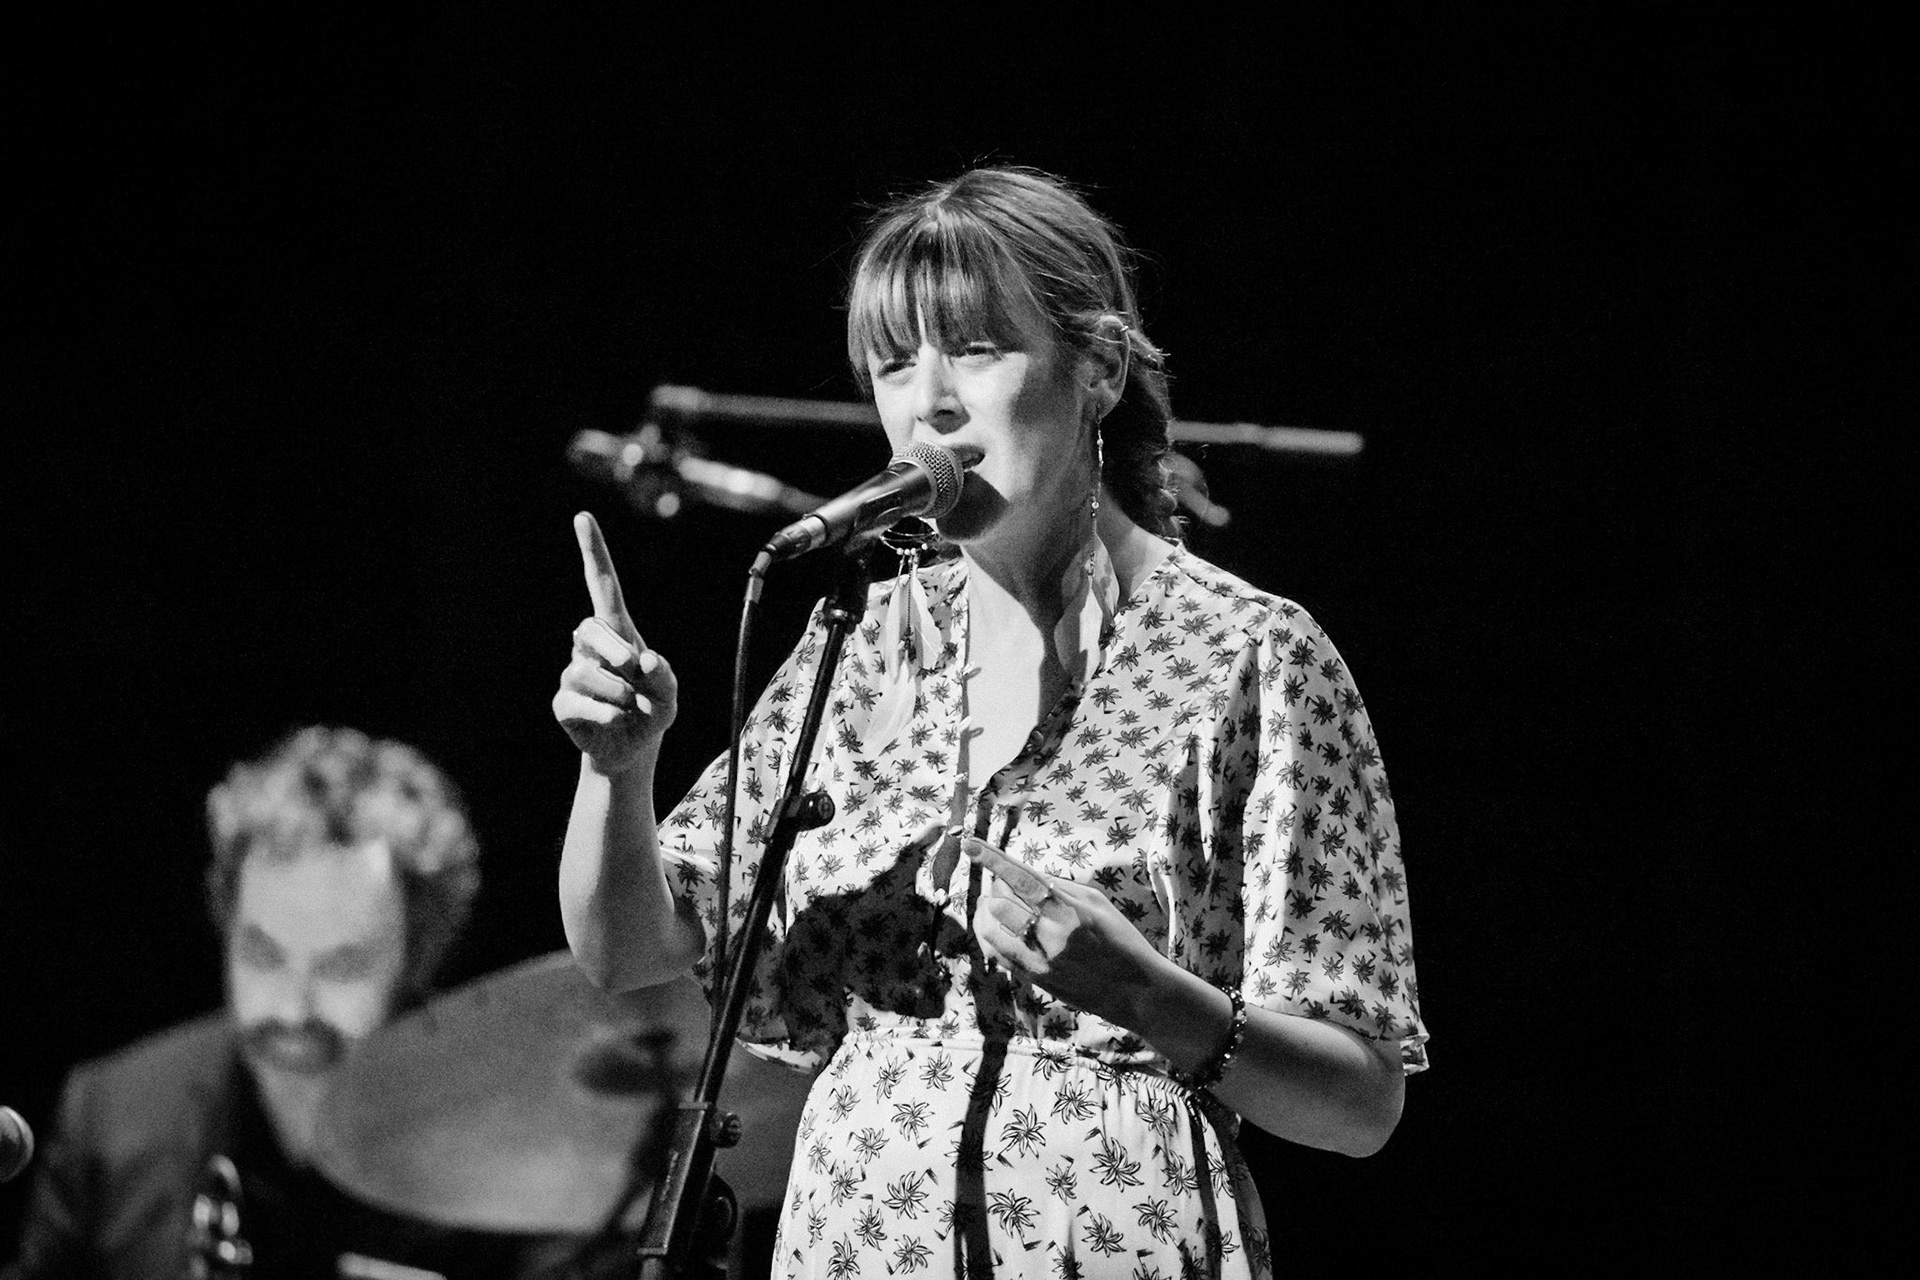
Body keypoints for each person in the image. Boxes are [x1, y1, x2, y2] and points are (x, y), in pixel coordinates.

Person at [554, 167, 1428, 1279]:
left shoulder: (1249, 656)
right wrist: (617, 773)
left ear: (1099, 368)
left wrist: (1149, 996)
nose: (928, 402)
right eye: (891, 363)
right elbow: (630, 945)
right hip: (855, 1236)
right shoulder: (860, 646)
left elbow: (1360, 1099)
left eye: (973, 350)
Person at [3, 726, 546, 1279]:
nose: (292, 1009)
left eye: (341, 966)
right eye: (264, 955)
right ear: (226, 925)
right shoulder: (110, 1116)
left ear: (416, 961)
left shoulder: (519, 1153)